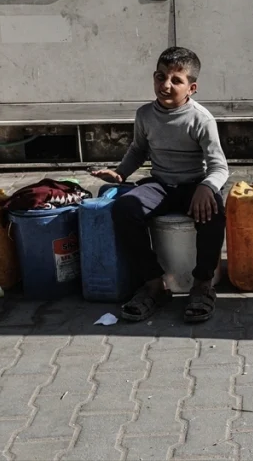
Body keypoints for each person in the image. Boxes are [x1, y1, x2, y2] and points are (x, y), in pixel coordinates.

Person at [90, 47, 229, 324]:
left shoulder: (201, 119)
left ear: (191, 88)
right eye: (160, 76)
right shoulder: (144, 115)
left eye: (176, 80)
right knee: (124, 208)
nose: (166, 85)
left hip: (194, 185)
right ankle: (154, 284)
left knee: (214, 212)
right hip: (161, 185)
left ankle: (202, 285)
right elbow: (138, 149)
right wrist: (120, 173)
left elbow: (219, 167)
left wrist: (207, 187)